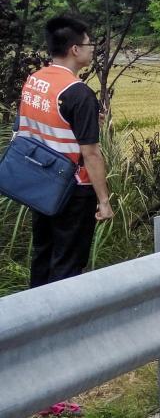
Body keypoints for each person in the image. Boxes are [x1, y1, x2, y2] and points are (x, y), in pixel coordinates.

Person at [16, 16, 114, 289]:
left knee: (43, 254)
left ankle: (36, 320)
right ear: (75, 50)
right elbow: (91, 153)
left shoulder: (35, 80)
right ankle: (61, 325)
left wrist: (89, 121)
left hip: (41, 182)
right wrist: (104, 201)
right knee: (67, 263)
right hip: (73, 189)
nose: (92, 49)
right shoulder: (78, 93)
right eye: (89, 43)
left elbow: (43, 124)